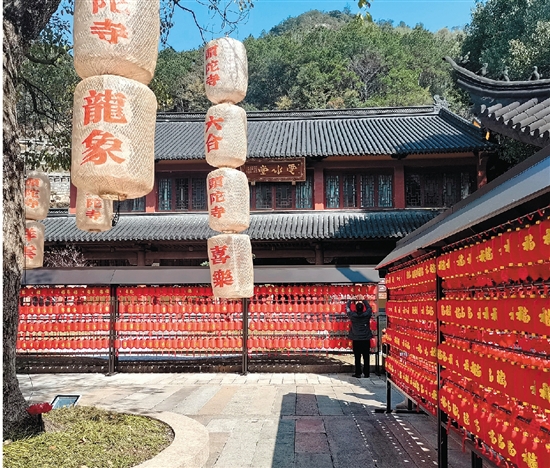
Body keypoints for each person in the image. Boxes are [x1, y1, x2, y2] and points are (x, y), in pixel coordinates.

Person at [346, 295, 373, 378]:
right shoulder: (366, 315)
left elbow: (347, 309)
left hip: (356, 339)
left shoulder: (353, 316)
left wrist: (350, 300)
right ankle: (366, 373)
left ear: (356, 308)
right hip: (365, 339)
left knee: (357, 357)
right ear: (363, 308)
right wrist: (363, 300)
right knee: (366, 357)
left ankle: (358, 373)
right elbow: (369, 309)